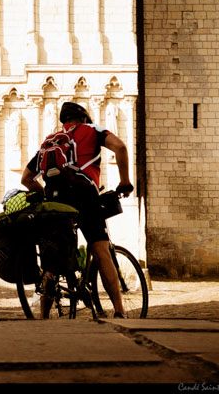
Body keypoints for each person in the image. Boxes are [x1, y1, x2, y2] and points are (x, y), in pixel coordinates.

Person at [21, 101, 133, 318]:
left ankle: (44, 316)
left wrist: (46, 195)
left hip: (55, 201)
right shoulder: (92, 130)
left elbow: (26, 178)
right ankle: (119, 310)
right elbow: (120, 147)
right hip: (85, 195)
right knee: (101, 251)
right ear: (83, 118)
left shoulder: (51, 141)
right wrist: (125, 181)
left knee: (54, 256)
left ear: (64, 121)